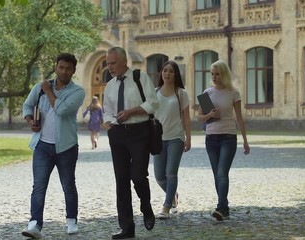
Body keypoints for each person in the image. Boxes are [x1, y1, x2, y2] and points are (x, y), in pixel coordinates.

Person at [21, 53, 85, 238]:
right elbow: (27, 106)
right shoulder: (40, 88)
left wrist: (49, 90)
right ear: (56, 67)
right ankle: (34, 224)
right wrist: (30, 121)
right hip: (42, 145)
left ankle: (71, 220)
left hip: (66, 146)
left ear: (73, 71)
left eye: (68, 68)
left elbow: (62, 109)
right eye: (61, 67)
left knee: (68, 185)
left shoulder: (77, 92)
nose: (64, 71)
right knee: (39, 186)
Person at [103, 46, 159, 239]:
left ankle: (146, 206)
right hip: (117, 135)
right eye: (108, 63)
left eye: (113, 63)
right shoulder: (109, 85)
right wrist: (108, 122)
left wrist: (131, 112)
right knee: (121, 181)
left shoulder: (139, 78)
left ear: (123, 61)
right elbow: (107, 110)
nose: (109, 67)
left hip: (139, 132)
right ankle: (127, 228)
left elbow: (153, 104)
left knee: (138, 176)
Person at [197, 59, 250, 221]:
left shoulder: (233, 93)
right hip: (211, 139)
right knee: (217, 175)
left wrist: (245, 141)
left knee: (221, 173)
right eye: (212, 74)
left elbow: (239, 118)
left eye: (217, 74)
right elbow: (199, 118)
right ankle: (224, 208)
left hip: (228, 137)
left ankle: (221, 208)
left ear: (224, 74)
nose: (214, 77)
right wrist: (210, 115)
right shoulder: (207, 93)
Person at [153, 61, 192, 219]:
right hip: (158, 139)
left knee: (171, 173)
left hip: (176, 137)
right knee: (159, 176)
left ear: (176, 74)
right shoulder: (154, 92)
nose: (167, 74)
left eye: (170, 71)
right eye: (164, 70)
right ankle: (173, 196)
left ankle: (167, 206)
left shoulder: (181, 93)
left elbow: (187, 118)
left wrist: (188, 138)